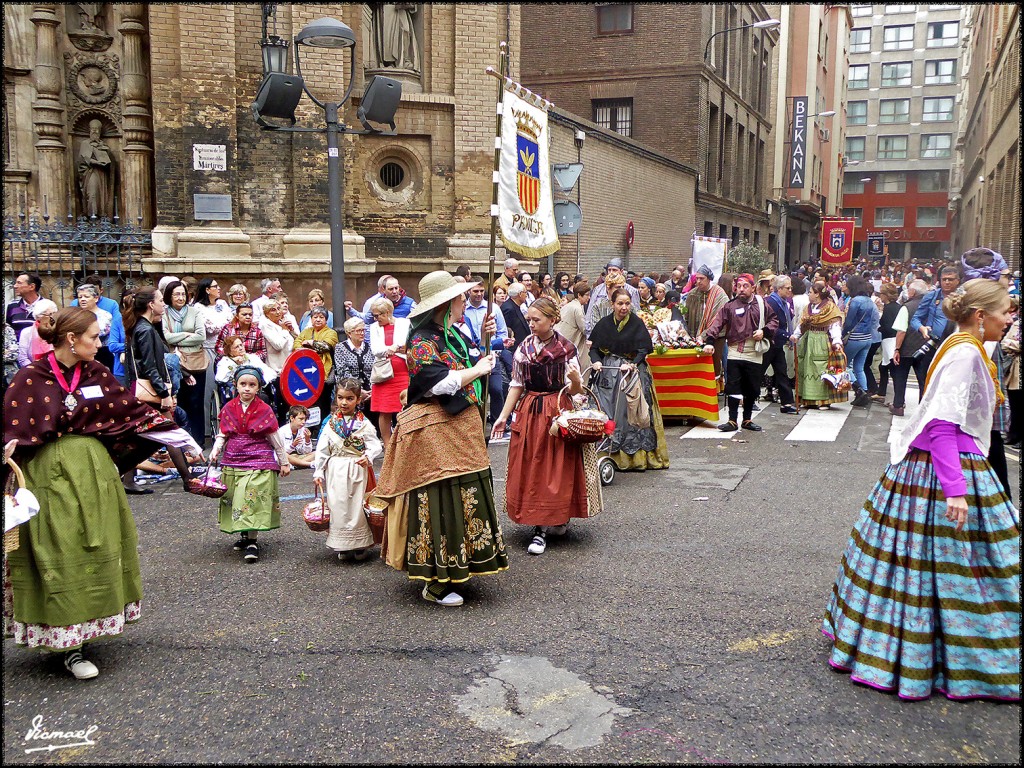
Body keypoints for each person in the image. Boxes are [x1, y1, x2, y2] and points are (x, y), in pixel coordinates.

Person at [823, 278, 1019, 701]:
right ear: (980, 316)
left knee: (910, 565)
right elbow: (942, 425)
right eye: (1005, 311)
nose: (1009, 318)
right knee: (964, 566)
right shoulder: (966, 353)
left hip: (928, 467)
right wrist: (954, 489)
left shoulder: (957, 343)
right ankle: (962, 657)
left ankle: (905, 648)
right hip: (945, 466)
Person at [3, 307, 198, 680]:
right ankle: (70, 646)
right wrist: (9, 446)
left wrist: (176, 436)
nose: (100, 342)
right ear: (71, 339)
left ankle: (83, 634)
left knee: (95, 544)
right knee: (58, 548)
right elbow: (11, 425)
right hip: (47, 475)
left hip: (93, 474)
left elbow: (128, 413)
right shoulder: (31, 378)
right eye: (93, 336)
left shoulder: (97, 373)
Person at [370, 271, 507, 607]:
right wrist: (479, 369)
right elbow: (437, 383)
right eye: (459, 298)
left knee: (463, 497)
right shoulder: (422, 340)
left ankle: (460, 567)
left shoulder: (450, 335)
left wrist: (483, 348)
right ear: (445, 304)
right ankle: (435, 580)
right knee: (438, 499)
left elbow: (460, 366)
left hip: (458, 432)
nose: (464, 302)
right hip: (434, 434)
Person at [491, 297, 601, 555]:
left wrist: (575, 381)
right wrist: (503, 416)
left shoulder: (567, 349)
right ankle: (539, 527)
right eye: (528, 319)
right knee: (533, 466)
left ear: (553, 320)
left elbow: (575, 391)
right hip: (530, 410)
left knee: (557, 467)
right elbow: (517, 384)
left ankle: (557, 517)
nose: (530, 324)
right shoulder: (524, 347)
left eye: (536, 320)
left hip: (557, 409)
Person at [208, 366, 291, 563]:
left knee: (251, 498)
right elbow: (223, 433)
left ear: (258, 387)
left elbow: (274, 437)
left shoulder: (264, 410)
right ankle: (244, 535)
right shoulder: (229, 408)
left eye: (252, 385)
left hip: (259, 460)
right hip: (234, 458)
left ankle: (253, 540)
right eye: (242, 384)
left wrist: (284, 461)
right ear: (235, 385)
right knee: (237, 497)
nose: (247, 389)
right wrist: (215, 450)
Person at [590, 288, 670, 470]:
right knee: (608, 411)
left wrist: (632, 363)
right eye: (620, 303)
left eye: (627, 303)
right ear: (613, 305)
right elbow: (594, 348)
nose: (624, 307)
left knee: (632, 412)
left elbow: (644, 350)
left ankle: (636, 458)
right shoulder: (603, 324)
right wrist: (596, 362)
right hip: (608, 374)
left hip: (632, 372)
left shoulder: (637, 323)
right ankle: (607, 452)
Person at [313, 378, 383, 560]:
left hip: (357, 469)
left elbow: (375, 444)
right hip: (336, 469)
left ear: (358, 400)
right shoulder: (330, 424)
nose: (344, 402)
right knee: (338, 505)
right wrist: (319, 471)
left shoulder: (364, 424)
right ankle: (341, 544)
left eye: (350, 398)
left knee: (357, 506)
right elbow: (322, 449)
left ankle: (360, 544)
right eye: (340, 398)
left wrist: (367, 456)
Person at [700, 273, 779, 432]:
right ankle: (732, 420)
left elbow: (774, 321)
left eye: (745, 286)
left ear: (753, 288)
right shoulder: (730, 306)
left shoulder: (762, 304)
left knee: (751, 388)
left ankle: (747, 420)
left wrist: (764, 332)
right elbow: (717, 324)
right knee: (733, 387)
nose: (741, 290)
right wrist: (709, 341)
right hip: (735, 351)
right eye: (739, 286)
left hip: (754, 351)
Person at [162, 281, 208, 446]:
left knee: (196, 402)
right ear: (169, 296)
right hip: (176, 363)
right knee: (179, 401)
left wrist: (178, 338)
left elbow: (201, 336)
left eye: (183, 294)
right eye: (176, 294)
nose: (180, 298)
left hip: (196, 362)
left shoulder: (194, 312)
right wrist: (188, 335)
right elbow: (166, 337)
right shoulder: (165, 313)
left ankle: (198, 440)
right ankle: (182, 440)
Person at [460, 282, 510, 427]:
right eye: (476, 291)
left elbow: (502, 331)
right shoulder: (465, 313)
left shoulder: (492, 308)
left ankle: (497, 421)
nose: (479, 294)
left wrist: (495, 344)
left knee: (496, 388)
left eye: (482, 291)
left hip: (490, 354)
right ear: (469, 291)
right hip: (473, 358)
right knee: (479, 391)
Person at [790, 281, 847, 411]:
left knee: (820, 369)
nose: (808, 294)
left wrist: (836, 341)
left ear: (817, 294)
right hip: (808, 341)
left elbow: (835, 325)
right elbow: (802, 323)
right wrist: (796, 335)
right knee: (806, 369)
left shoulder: (830, 308)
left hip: (821, 341)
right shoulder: (808, 308)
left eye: (810, 292)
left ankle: (823, 401)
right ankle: (807, 399)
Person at [368, 298, 410, 448]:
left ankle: (404, 442)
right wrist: (392, 348)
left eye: (378, 315)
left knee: (404, 408)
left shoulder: (404, 323)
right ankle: (387, 445)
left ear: (387, 313)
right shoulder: (374, 328)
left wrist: (396, 347)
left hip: (403, 373)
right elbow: (375, 350)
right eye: (374, 315)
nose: (375, 318)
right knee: (384, 410)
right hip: (384, 374)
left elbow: (407, 344)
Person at [193, 277, 232, 434]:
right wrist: (223, 325)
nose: (219, 288)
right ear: (207, 290)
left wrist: (223, 326)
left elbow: (231, 322)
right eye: (215, 286)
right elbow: (209, 328)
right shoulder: (198, 307)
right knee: (209, 388)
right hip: (209, 350)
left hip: (226, 349)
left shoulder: (222, 304)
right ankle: (208, 430)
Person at [292, 306, 339, 432]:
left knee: (323, 402)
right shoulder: (306, 331)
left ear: (326, 319)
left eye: (321, 317)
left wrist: (310, 343)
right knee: (308, 401)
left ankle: (322, 429)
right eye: (315, 317)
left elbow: (325, 346)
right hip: (306, 372)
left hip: (324, 372)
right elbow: (296, 345)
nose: (318, 320)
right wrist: (309, 345)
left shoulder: (331, 332)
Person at [888, 279, 930, 417]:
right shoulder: (932, 306)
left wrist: (897, 349)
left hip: (906, 348)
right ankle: (923, 409)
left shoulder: (907, 307)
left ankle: (898, 405)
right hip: (926, 347)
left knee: (900, 377)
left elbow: (901, 330)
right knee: (924, 380)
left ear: (912, 292)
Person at [910, 265, 960, 378]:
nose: (947, 282)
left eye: (950, 279)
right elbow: (915, 319)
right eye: (944, 279)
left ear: (957, 281)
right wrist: (922, 328)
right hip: (934, 346)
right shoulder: (932, 296)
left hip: (955, 347)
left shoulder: (964, 298)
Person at [685, 265, 730, 389]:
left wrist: (704, 335)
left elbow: (720, 317)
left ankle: (713, 389)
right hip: (695, 334)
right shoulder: (692, 294)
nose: (698, 281)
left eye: (701, 278)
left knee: (713, 363)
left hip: (716, 336)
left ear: (709, 279)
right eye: (697, 278)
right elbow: (687, 314)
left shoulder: (719, 294)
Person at [841, 275, 879, 409]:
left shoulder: (855, 301)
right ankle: (864, 392)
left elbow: (849, 322)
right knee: (859, 367)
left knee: (844, 365)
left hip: (854, 338)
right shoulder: (869, 301)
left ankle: (858, 389)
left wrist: (842, 334)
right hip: (867, 337)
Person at [763, 276, 797, 414]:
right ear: (779, 289)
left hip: (777, 344)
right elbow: (772, 326)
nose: (790, 290)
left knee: (782, 373)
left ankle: (787, 403)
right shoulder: (771, 302)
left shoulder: (783, 302)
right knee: (758, 372)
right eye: (787, 288)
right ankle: (747, 399)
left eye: (790, 288)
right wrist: (787, 335)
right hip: (770, 342)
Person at [585, 258, 640, 335]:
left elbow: (636, 314)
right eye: (609, 270)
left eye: (614, 270)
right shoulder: (598, 289)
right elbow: (590, 314)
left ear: (621, 271)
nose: (611, 273)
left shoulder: (632, 291)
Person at [214, 335, 278, 401]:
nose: (241, 348)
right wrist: (234, 363)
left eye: (241, 345)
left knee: (264, 397)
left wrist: (261, 382)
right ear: (230, 351)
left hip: (255, 390)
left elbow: (270, 373)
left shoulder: (253, 358)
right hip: (236, 393)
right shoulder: (224, 362)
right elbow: (219, 379)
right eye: (236, 347)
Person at [333, 317, 373, 412]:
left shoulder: (370, 347)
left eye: (363, 330)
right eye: (358, 331)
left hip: (371, 392)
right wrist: (359, 390)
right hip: (350, 391)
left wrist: (371, 391)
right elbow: (342, 372)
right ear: (349, 333)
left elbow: (375, 370)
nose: (362, 333)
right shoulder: (340, 348)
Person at [875, 282, 902, 405]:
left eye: (882, 293)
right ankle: (881, 392)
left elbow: (887, 326)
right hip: (891, 339)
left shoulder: (889, 308)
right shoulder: (897, 306)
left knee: (891, 368)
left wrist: (878, 327)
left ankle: (897, 398)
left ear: (886, 295)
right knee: (883, 366)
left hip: (889, 340)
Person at [555, 281, 591, 371]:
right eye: (587, 295)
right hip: (569, 344)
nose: (589, 297)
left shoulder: (571, 305)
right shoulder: (576, 308)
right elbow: (584, 329)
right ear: (579, 295)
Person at [16, 299, 58, 369]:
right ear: (39, 316)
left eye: (54, 313)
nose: (53, 317)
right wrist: (36, 369)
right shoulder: (26, 332)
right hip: (33, 370)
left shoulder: (58, 331)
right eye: (50, 314)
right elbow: (22, 358)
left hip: (55, 369)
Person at [5, 272, 43, 341]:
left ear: (32, 286)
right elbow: (9, 330)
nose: (15, 286)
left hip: (41, 350)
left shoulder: (47, 306)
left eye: (19, 283)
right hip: (17, 350)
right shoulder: (12, 306)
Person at [279, 405, 315, 469]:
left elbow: (306, 452)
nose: (303, 422)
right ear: (292, 418)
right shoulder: (282, 431)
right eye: (301, 419)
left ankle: (297, 465)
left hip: (299, 457)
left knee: (316, 453)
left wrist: (307, 440)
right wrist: (292, 445)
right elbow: (280, 451)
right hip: (288, 457)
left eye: (305, 419)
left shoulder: (303, 430)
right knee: (284, 455)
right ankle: (307, 464)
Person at [501, 283, 532, 353]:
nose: (526, 295)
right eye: (525, 292)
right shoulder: (509, 309)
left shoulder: (515, 306)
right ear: (520, 294)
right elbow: (506, 330)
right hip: (513, 350)